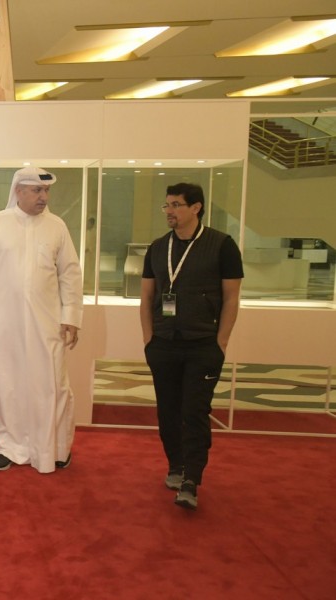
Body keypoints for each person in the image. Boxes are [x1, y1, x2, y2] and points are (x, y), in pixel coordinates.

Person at [0, 167, 83, 474]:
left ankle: (56, 448)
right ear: (18, 191)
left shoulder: (57, 227)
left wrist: (71, 315)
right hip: (4, 321)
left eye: (46, 191)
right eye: (37, 191)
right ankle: (9, 447)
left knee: (53, 385)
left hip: (48, 323)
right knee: (8, 385)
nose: (44, 197)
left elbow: (70, 274)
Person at [140, 182, 244, 511]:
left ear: (196, 208)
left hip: (203, 345)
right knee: (168, 411)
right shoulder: (158, 248)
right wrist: (149, 340)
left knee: (194, 411)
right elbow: (147, 297)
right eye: (166, 205)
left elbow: (232, 298)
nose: (169, 211)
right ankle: (176, 464)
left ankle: (191, 479)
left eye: (176, 205)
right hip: (164, 344)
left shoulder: (222, 245)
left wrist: (220, 342)